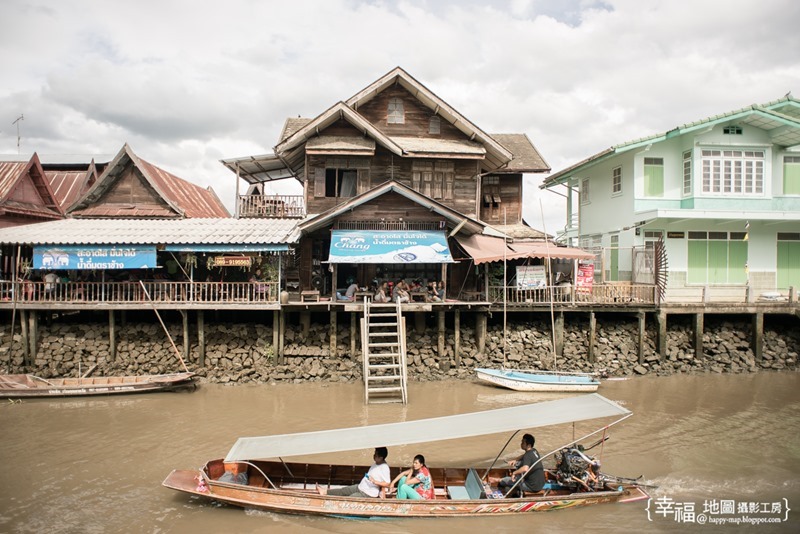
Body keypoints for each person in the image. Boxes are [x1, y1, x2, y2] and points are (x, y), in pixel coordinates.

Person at [317, 447, 390, 498]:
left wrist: (375, 482)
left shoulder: (384, 467)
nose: (373, 456)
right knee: (343, 491)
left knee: (350, 498)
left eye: (375, 455)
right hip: (360, 487)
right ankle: (324, 492)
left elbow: (387, 483)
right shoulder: (376, 463)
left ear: (381, 458)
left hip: (367, 493)